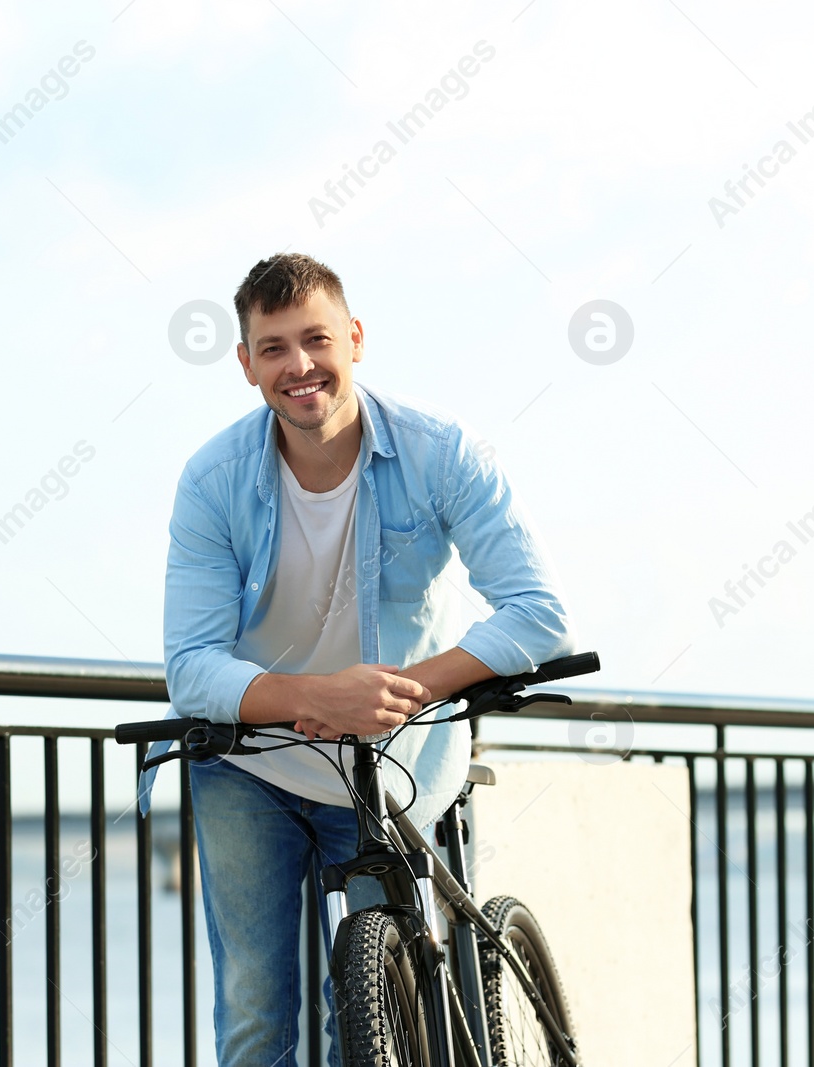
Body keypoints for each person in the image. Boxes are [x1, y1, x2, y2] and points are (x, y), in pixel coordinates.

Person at [152, 252, 573, 1066]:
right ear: (246, 364)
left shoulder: (441, 452)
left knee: (381, 1022)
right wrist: (318, 695)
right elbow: (191, 669)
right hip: (253, 765)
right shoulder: (212, 481)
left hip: (397, 758)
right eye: (272, 347)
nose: (298, 364)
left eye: (315, 339)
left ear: (354, 337)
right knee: (253, 1017)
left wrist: (399, 693)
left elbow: (539, 614)